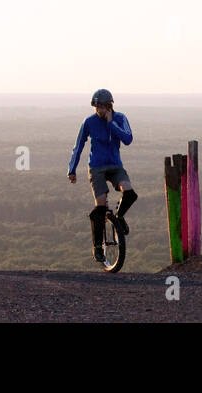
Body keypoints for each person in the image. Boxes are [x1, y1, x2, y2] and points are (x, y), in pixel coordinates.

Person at [68, 89, 137, 264]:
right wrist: (72, 169)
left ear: (109, 106)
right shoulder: (89, 122)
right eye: (96, 107)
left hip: (115, 165)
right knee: (100, 206)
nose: (98, 110)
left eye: (101, 107)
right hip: (97, 167)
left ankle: (119, 217)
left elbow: (128, 139)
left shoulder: (120, 118)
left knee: (129, 193)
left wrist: (111, 124)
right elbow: (79, 146)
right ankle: (98, 247)